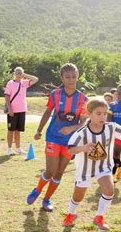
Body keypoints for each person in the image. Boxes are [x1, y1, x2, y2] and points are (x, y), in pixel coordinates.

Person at [62, 98, 121, 230]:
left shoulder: (111, 127)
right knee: (78, 196)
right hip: (85, 169)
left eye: (105, 113)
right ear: (89, 114)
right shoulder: (82, 132)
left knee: (109, 190)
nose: (103, 116)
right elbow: (70, 149)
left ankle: (99, 217)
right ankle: (71, 214)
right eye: (98, 114)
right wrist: (83, 148)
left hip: (103, 166)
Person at [27, 63, 88, 211]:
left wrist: (71, 128)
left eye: (74, 76)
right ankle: (37, 189)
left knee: (60, 172)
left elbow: (83, 121)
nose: (71, 80)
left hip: (71, 141)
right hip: (53, 137)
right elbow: (48, 112)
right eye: (67, 77)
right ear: (62, 77)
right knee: (50, 170)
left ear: (78, 76)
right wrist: (39, 130)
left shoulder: (83, 99)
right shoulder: (55, 94)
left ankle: (47, 199)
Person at [4, 67, 39, 156]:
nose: (19, 74)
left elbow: (35, 79)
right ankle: (9, 149)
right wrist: (10, 109)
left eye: (20, 73)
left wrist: (24, 75)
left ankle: (18, 148)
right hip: (13, 110)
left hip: (22, 110)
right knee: (11, 130)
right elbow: (7, 96)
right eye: (17, 72)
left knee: (18, 130)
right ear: (14, 73)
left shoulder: (25, 83)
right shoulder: (10, 83)